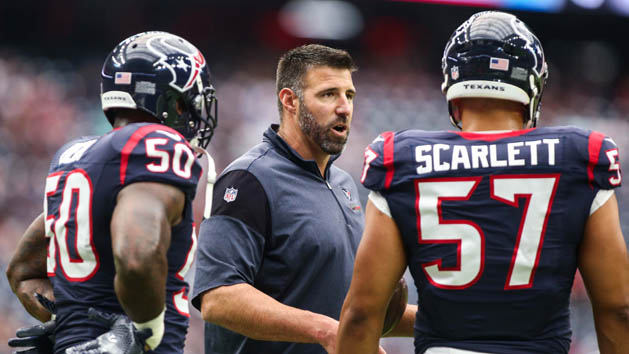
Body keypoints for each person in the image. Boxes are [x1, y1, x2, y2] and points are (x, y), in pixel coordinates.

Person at [337, 11, 629, 354]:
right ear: (531, 85)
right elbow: (618, 309)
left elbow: (361, 313)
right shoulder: (580, 154)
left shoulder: (402, 159)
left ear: (452, 85)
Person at [190, 44, 414, 354]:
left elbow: (348, 308)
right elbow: (218, 298)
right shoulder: (248, 179)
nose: (344, 108)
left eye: (349, 96)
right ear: (290, 100)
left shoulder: (344, 184)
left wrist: (453, 320)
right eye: (328, 94)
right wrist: (326, 332)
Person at [6, 31, 218, 354]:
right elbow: (136, 257)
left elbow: (21, 271)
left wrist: (71, 325)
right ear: (167, 102)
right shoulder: (155, 145)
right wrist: (144, 329)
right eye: (186, 103)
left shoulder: (76, 154)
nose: (192, 116)